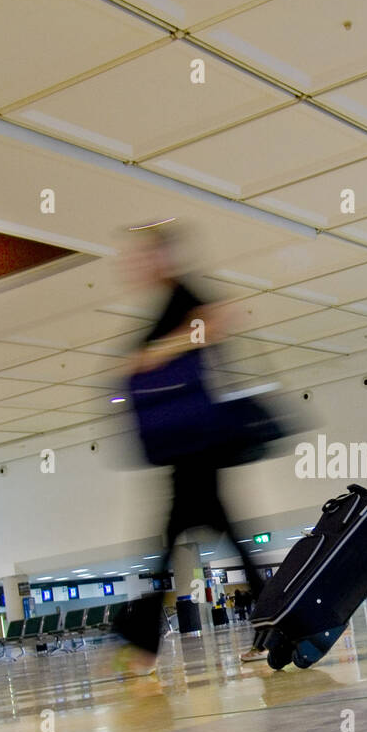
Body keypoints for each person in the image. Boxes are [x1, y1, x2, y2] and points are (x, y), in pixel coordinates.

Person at [116, 223, 275, 671]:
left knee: (179, 541)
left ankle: (144, 644)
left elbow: (217, 321)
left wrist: (154, 353)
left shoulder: (185, 294)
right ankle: (276, 618)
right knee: (212, 538)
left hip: (199, 444)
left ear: (163, 258)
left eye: (145, 258)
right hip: (191, 446)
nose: (137, 267)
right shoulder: (167, 301)